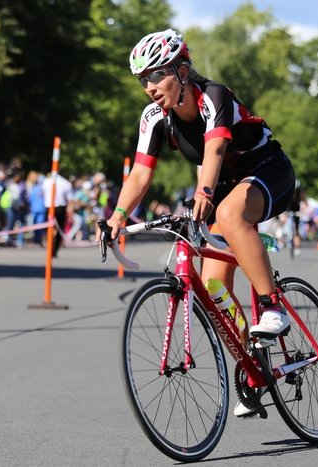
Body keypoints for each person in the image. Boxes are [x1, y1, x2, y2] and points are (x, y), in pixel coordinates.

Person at [99, 29, 296, 415]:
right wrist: (117, 217)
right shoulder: (155, 117)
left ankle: (274, 306)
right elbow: (140, 175)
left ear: (183, 70)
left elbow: (217, 146)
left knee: (228, 212)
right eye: (143, 80)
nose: (149, 87)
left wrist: (204, 193)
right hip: (224, 187)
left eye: (156, 75)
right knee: (213, 288)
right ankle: (253, 369)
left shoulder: (214, 96)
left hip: (268, 171)